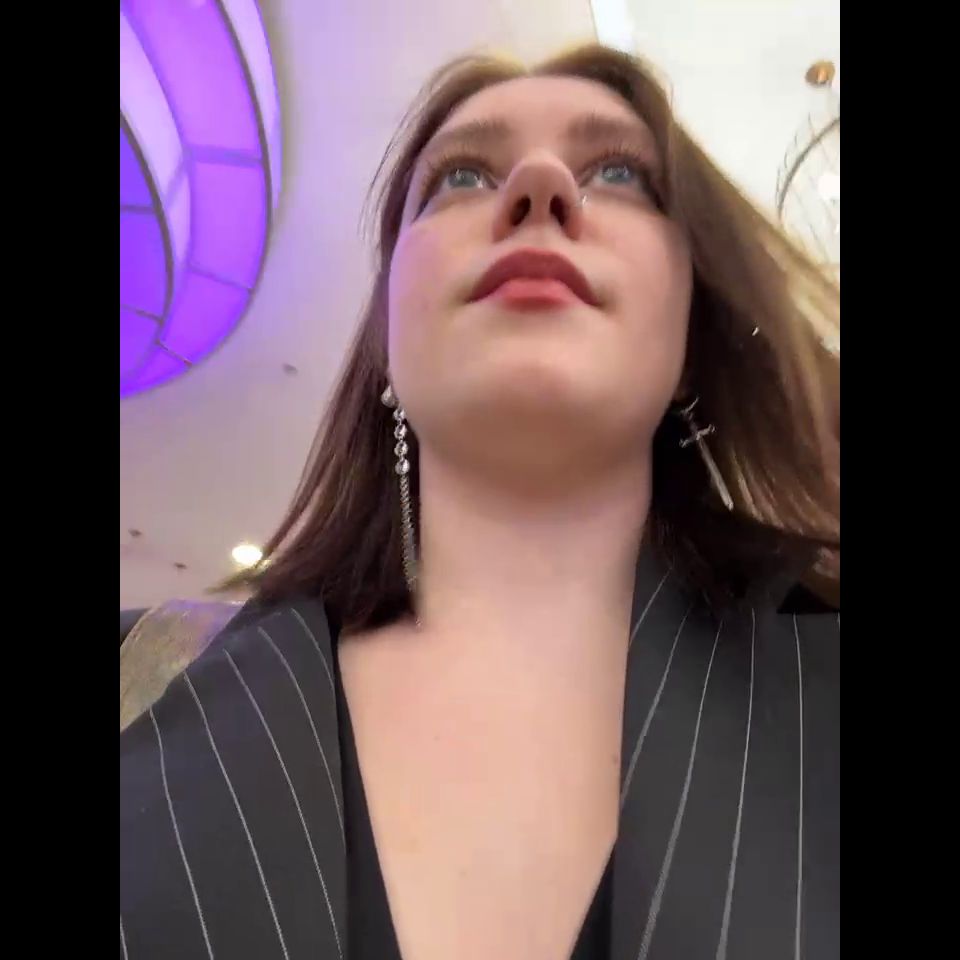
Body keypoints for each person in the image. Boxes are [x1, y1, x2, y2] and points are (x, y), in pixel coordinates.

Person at [120, 43, 839, 960]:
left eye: (620, 174)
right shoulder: (142, 685)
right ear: (386, 335)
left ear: (692, 317)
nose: (541, 186)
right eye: (460, 178)